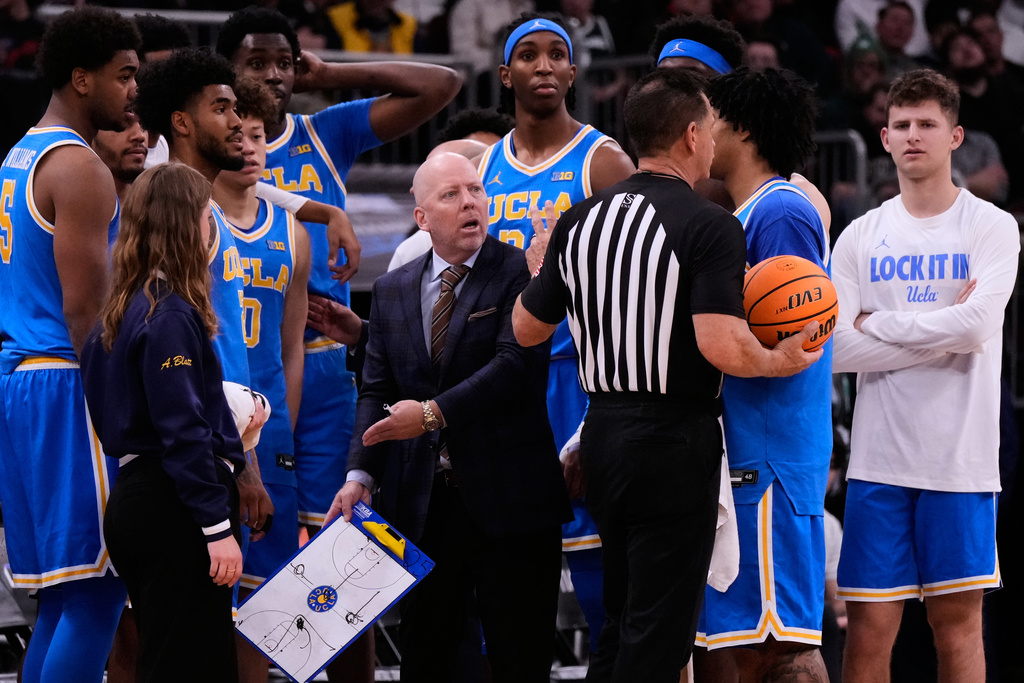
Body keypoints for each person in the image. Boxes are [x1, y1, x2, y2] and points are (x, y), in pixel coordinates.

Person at [512, 66, 823, 683]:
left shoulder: (578, 222)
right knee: (659, 633)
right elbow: (722, 346)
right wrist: (778, 359)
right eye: (708, 129)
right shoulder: (710, 225)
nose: (713, 142)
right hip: (674, 441)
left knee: (618, 619)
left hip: (601, 433)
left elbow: (527, 331)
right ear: (688, 135)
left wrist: (540, 268)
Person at [324, 151, 571, 682]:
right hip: (423, 505)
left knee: (520, 660)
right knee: (427, 660)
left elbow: (515, 365)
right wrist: (359, 473)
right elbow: (376, 388)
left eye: (476, 191)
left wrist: (433, 415)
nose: (470, 203)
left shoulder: (517, 271)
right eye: (451, 195)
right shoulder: (391, 290)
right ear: (422, 218)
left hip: (514, 502)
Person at [831, 68, 1019, 683]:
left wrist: (877, 321)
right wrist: (944, 330)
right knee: (868, 632)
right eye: (902, 125)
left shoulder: (991, 226)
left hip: (960, 465)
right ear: (884, 137)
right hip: (878, 462)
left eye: (927, 125)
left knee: (957, 628)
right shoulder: (860, 234)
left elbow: (974, 330)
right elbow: (834, 350)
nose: (913, 135)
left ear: (955, 136)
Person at [477, 13, 634, 653]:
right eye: (529, 55)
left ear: (573, 71)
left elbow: (635, 291)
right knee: (510, 591)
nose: (543, 66)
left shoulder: (604, 163)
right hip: (506, 384)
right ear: (504, 73)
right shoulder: (483, 166)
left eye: (556, 56)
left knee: (599, 574)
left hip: (580, 378)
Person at [0, 8, 139, 682]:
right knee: (97, 591)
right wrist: (125, 416)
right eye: (125, 75)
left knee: (62, 596)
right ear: (82, 79)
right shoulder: (80, 167)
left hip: (25, 381)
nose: (134, 90)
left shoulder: (19, 152)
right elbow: (87, 312)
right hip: (68, 383)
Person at [80, 162, 246, 683]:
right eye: (205, 213)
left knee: (166, 661)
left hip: (140, 497)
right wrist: (216, 526)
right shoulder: (169, 313)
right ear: (185, 223)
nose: (210, 225)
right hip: (174, 507)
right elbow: (181, 429)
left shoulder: (119, 309)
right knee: (196, 667)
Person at [696, 66, 833, 682]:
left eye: (713, 121)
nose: (701, 133)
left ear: (743, 130)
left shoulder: (779, 213)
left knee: (783, 646)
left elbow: (796, 333)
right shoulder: (751, 213)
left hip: (772, 453)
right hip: (753, 449)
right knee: (739, 644)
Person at [134, 46, 275, 539]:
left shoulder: (204, 206)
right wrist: (243, 464)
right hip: (200, 445)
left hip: (216, 435)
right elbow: (180, 351)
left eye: (236, 109)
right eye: (221, 109)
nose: (237, 122)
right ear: (182, 123)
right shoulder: (181, 214)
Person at [211, 77, 312, 683]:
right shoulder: (193, 218)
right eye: (238, 133)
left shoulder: (292, 232)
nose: (249, 146)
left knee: (266, 593)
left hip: (267, 428)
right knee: (212, 579)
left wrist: (285, 427)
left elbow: (291, 346)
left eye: (258, 135)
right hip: (210, 421)